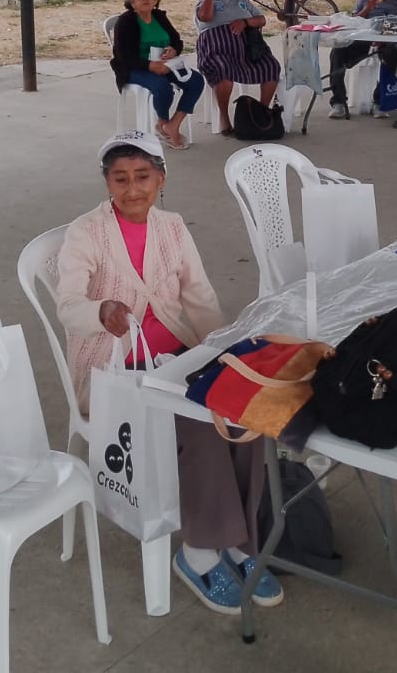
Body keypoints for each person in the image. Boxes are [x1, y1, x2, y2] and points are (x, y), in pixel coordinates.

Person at [55, 132, 281, 615]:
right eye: (120, 179)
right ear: (107, 183)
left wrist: (224, 351)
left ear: (161, 178)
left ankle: (240, 541)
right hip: (113, 371)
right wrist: (101, 311)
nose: (133, 189)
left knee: (244, 407)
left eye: (143, 177)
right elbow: (68, 305)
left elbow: (198, 297)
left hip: (177, 359)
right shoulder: (86, 233)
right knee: (198, 420)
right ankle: (199, 554)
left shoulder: (173, 227)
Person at [109, 0, 204, 151]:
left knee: (196, 80)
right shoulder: (126, 22)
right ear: (132, 2)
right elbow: (123, 55)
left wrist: (173, 50)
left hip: (164, 64)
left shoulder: (159, 17)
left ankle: (173, 125)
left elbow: (176, 40)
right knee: (162, 86)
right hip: (134, 68)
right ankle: (162, 123)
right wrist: (149, 66)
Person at [193, 0, 280, 136]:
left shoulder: (241, 0)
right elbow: (205, 17)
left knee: (271, 66)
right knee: (223, 71)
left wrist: (245, 22)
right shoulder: (204, 1)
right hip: (217, 50)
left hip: (247, 50)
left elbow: (261, 19)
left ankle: (261, 111)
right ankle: (224, 117)